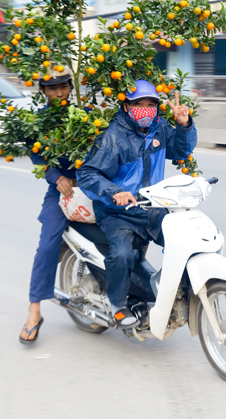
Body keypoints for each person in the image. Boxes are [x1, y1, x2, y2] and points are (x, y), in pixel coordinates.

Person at [76, 79, 198, 328]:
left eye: (151, 103)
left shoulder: (160, 128)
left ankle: (176, 292)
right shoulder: (113, 137)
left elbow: (180, 151)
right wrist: (114, 191)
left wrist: (184, 125)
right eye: (138, 103)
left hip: (152, 207)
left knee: (187, 241)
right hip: (118, 212)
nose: (145, 108)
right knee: (121, 253)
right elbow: (88, 174)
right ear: (126, 107)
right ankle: (117, 305)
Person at [19, 66, 77, 345]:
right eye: (52, 88)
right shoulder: (36, 123)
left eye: (63, 86)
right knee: (47, 244)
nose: (59, 93)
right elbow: (40, 163)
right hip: (60, 190)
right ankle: (34, 312)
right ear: (42, 91)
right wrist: (58, 179)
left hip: (93, 185)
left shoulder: (85, 117)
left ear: (71, 87)